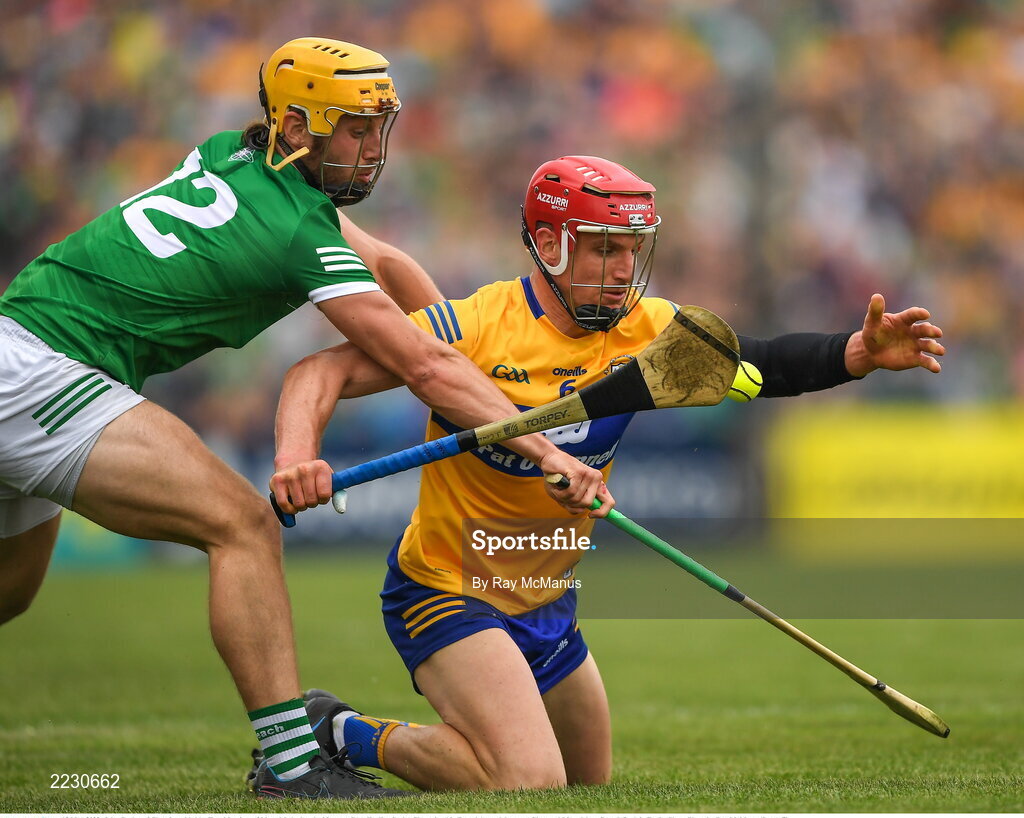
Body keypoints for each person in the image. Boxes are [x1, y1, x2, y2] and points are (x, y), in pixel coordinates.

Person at [0, 40, 610, 801]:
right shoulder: (295, 232)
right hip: (40, 371)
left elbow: (393, 274)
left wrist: (463, 355)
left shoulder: (240, 160)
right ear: (293, 127)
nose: (373, 149)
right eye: (355, 128)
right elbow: (422, 366)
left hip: (28, 359)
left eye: (380, 126)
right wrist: (544, 449)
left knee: (10, 593)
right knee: (242, 526)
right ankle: (291, 759)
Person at [265, 154, 946, 792]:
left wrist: (852, 354)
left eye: (631, 250)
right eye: (604, 248)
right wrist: (297, 454)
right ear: (552, 244)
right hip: (447, 589)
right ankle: (338, 729)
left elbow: (762, 364)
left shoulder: (652, 331)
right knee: (527, 780)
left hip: (545, 596)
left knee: (588, 785)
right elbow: (320, 371)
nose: (624, 269)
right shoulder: (475, 326)